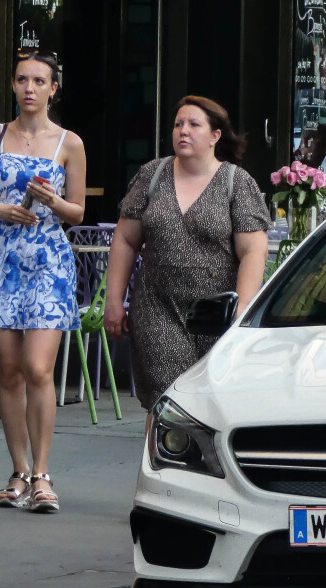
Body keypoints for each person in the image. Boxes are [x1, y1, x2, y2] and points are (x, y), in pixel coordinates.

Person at [0, 49, 86, 513]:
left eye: (38, 80)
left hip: (47, 259)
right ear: (13, 86)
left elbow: (78, 211)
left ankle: (43, 474)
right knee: (8, 371)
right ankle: (19, 471)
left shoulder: (69, 143)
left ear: (54, 88)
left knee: (38, 368)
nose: (29, 88)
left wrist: (49, 199)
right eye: (21, 79)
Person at [103, 96, 270, 415]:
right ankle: (162, 462)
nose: (183, 131)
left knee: (212, 403)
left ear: (215, 135)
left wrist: (243, 309)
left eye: (194, 125)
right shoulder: (153, 174)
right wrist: (114, 300)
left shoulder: (236, 182)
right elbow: (125, 239)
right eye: (179, 124)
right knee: (169, 400)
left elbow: (253, 250)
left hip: (216, 312)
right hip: (157, 307)